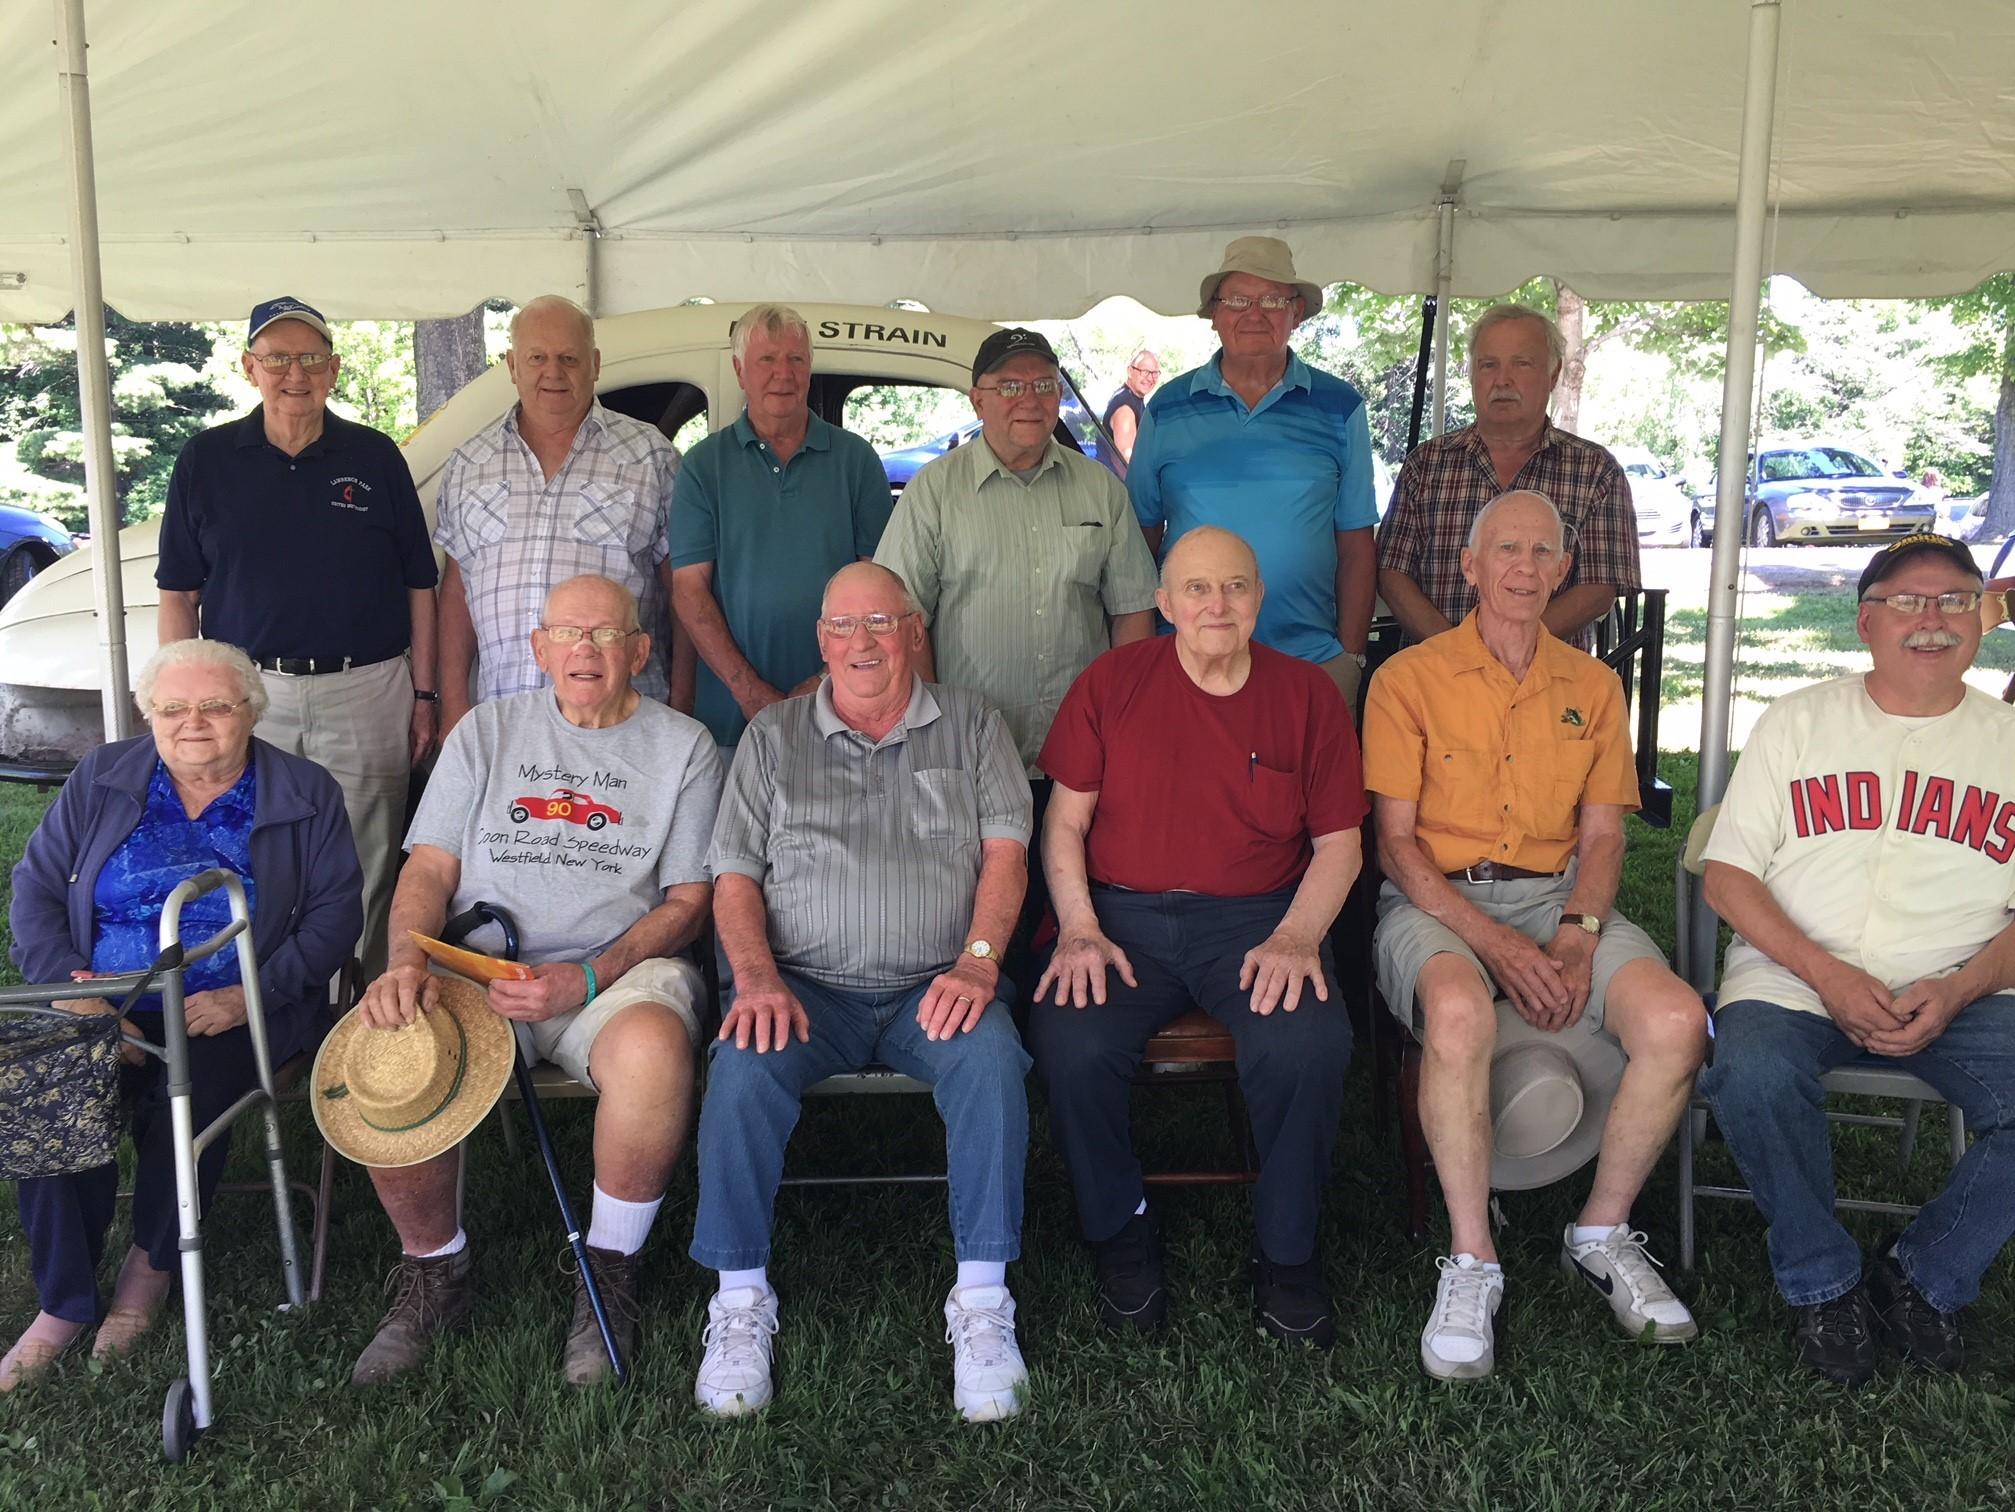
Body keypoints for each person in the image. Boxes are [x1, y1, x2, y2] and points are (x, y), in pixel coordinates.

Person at [343, 575, 721, 1389]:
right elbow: (430, 866)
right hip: (481, 967)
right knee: (393, 1039)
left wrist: (586, 977)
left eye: (607, 635)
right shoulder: (486, 731)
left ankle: (607, 1276)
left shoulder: (684, 746)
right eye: (569, 634)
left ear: (641, 651)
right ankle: (434, 1273)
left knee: (654, 1053)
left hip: (615, 972)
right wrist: (406, 960)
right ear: (540, 649)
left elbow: (689, 903)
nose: (586, 649)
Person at [1365, 490, 1707, 1382]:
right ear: (1469, 568)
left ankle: (1598, 1230)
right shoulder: (1407, 679)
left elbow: (1602, 838)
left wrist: (1575, 936)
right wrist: (1500, 946)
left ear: (1562, 571)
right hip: (1435, 903)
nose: (1523, 567)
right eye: (1504, 550)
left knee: (1675, 1023)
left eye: (1541, 553)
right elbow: (1396, 848)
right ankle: (1473, 1257)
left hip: (1562, 898)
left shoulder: (1592, 687)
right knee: (1455, 1010)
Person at [689, 562, 1034, 1423]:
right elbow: (732, 875)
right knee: (740, 1062)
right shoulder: (771, 737)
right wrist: (758, 978)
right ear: (821, 639)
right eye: (843, 627)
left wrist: (981, 960)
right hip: (807, 990)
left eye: (881, 623)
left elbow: (1005, 854)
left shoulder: (972, 723)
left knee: (991, 1058)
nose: (862, 643)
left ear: (912, 631)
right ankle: (738, 1301)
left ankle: (984, 1300)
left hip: (937, 985)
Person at [1029, 526, 1364, 1347]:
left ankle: (1286, 1256)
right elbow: (1063, 823)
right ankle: (1120, 1234)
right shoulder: (1112, 682)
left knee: (1306, 1045)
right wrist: (1076, 927)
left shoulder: (1306, 694)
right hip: (1120, 920)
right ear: (1164, 601)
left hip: (1258, 923)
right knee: (1069, 1043)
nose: (1217, 605)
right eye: (1198, 588)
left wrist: (1296, 938)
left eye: (1235, 587)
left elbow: (1339, 846)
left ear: (1259, 596)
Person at [1699, 533, 2015, 1387]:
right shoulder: (1797, 721)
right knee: (1752, 1072)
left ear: (1982, 618)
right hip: (1794, 975)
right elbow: (1726, 875)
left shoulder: (2008, 741)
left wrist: (1955, 990)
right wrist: (1826, 973)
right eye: (1908, 601)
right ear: (1865, 620)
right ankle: (1822, 1281)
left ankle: (1925, 1276)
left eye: (1954, 599)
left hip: (1959, 987)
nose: (1932, 619)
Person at [3, 640, 361, 1389]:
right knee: (54, 1084)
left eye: (214, 706)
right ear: (147, 713)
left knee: (193, 1086)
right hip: (104, 994)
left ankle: (152, 1264)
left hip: (234, 1005)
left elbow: (333, 919)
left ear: (251, 712)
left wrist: (247, 995)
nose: (191, 723)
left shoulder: (302, 791)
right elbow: (36, 889)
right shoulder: (103, 776)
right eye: (172, 708)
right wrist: (78, 988)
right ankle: (64, 1299)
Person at [155, 295, 435, 978]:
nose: (294, 374)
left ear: (335, 370)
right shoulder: (206, 459)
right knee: (249, 852)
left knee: (367, 862)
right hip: (247, 695)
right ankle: (260, 1005)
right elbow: (178, 593)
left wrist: (425, 695)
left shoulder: (374, 457)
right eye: (277, 359)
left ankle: (355, 1019)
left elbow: (420, 586)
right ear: (249, 368)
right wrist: (173, 703)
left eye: (310, 358)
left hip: (366, 689)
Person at [875, 327, 1158, 980]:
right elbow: (905, 620)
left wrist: (1119, 727)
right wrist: (935, 731)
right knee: (977, 896)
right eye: (1008, 385)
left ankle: (1065, 1008)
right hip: (972, 747)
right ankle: (986, 1008)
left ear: (1057, 394)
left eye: (1040, 384)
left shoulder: (1099, 491)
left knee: (1076, 892)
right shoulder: (934, 493)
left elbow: (1132, 613)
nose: (1026, 399)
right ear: (978, 400)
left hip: (1079, 746)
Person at [1127, 236, 1378, 709]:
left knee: (1304, 786)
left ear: (1296, 312)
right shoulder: (1167, 408)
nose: (1254, 314)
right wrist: (1146, 653)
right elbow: (1138, 541)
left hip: (1311, 662)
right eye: (1238, 300)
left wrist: (1351, 655)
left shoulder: (1340, 407)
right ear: (1215, 314)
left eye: (1273, 300)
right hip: (1189, 660)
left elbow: (1357, 546)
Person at [434, 295, 686, 734]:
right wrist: (453, 707)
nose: (553, 372)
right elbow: (457, 595)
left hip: (624, 722)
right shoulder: (469, 464)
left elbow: (682, 592)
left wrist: (682, 705)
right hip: (503, 721)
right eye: (537, 358)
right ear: (512, 366)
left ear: (595, 363)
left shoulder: (651, 458)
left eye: (569, 358)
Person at [669, 304, 893, 752]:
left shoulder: (856, 461)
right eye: (766, 359)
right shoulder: (703, 466)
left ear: (810, 370)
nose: (783, 374)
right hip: (732, 722)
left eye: (796, 359)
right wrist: (751, 693)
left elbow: (881, 588)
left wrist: (823, 683)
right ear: (739, 370)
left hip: (845, 712)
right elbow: (689, 592)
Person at [1377, 304, 1640, 651]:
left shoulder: (1595, 471)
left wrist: (1508, 647)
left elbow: (1599, 589)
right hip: (1436, 683)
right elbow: (1392, 574)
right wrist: (1456, 652)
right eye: (1488, 365)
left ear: (1554, 374)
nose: (1502, 379)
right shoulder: (1425, 466)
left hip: (1547, 683)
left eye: (1522, 363)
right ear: (1472, 375)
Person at [1102, 349, 1161, 464]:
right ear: (1130, 371)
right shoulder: (1125, 407)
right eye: (1144, 371)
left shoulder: (1136, 401)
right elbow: (1128, 462)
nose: (1150, 378)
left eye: (1155, 373)